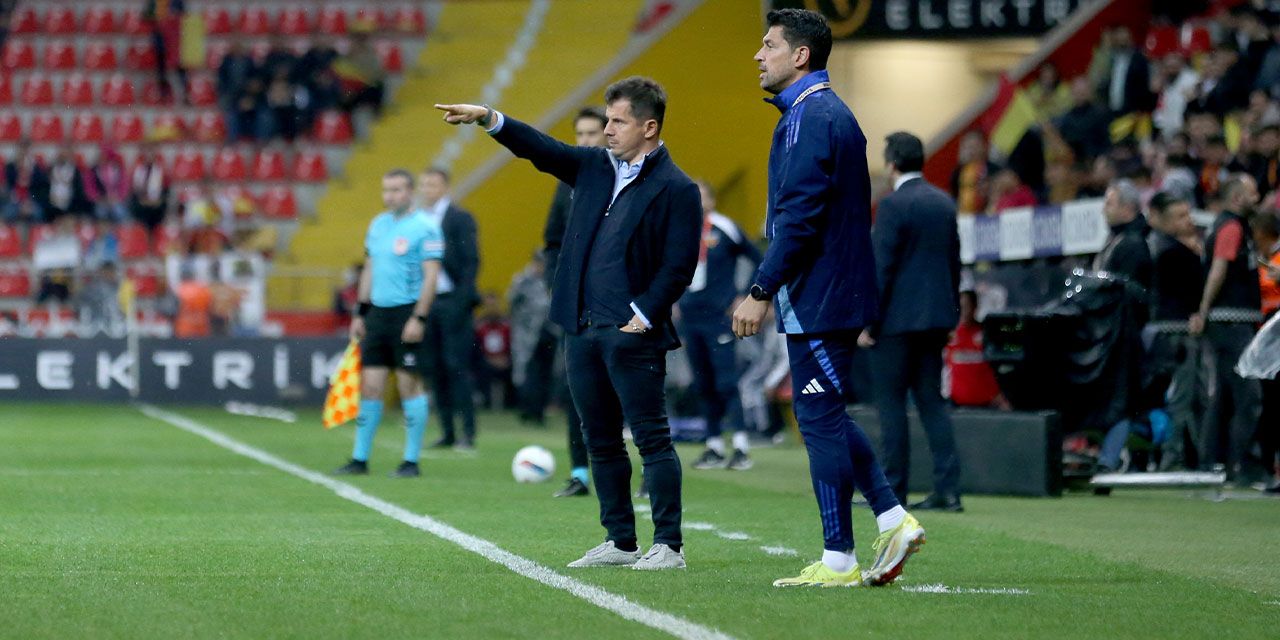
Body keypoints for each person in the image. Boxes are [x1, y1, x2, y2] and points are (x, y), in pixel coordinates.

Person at [436, 75, 702, 571]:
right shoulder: (595, 167)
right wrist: (490, 119)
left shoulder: (677, 188)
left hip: (631, 332)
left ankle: (669, 545)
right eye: (607, 120)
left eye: (618, 121)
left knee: (651, 438)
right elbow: (542, 149)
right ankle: (621, 541)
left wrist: (642, 316)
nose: (608, 129)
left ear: (649, 127)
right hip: (581, 328)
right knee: (598, 437)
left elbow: (679, 265)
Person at [731, 8, 923, 588]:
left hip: (821, 292)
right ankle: (891, 518)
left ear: (801, 55)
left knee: (817, 420)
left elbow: (799, 217)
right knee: (826, 414)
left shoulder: (812, 116)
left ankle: (839, 557)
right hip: (828, 289)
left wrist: (760, 289)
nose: (758, 55)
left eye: (769, 45)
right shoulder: (821, 113)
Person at [860, 131, 962, 512]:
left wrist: (869, 321)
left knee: (891, 406)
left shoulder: (892, 205)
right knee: (932, 404)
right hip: (935, 320)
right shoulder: (943, 202)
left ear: (892, 164)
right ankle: (948, 490)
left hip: (896, 323)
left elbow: (881, 269)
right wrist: (951, 316)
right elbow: (954, 263)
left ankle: (892, 494)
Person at [332, 170, 444, 478]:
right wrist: (360, 312)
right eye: (386, 190)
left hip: (407, 312)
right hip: (377, 314)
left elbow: (431, 276)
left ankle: (411, 461)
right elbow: (369, 269)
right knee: (370, 387)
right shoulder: (378, 225)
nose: (389, 196)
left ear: (410, 192)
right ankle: (360, 458)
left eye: (396, 190)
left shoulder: (425, 227)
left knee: (409, 385)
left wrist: (419, 317)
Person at [543, 106, 607, 498]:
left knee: (630, 390)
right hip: (578, 306)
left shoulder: (625, 178)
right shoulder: (567, 183)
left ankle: (647, 473)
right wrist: (560, 283)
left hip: (618, 304)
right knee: (576, 389)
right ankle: (580, 473)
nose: (584, 141)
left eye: (591, 133)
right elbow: (552, 240)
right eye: (579, 134)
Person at [681, 180, 762, 471]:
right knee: (702, 381)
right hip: (691, 316)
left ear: (713, 201)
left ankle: (740, 446)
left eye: (701, 195)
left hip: (718, 316)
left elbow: (758, 258)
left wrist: (745, 294)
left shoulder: (725, 227)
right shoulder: (680, 229)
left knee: (726, 380)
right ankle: (714, 444)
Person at [1190, 174, 1264, 484]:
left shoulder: (1226, 225)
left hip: (1227, 322)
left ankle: (1210, 463)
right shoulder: (1232, 227)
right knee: (1248, 396)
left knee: (1222, 397)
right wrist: (1203, 310)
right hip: (1232, 322)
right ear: (1236, 198)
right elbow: (1219, 268)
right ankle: (1241, 465)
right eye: (1252, 193)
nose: (1257, 198)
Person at [416, 167, 481, 451]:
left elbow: (471, 262)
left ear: (445, 187)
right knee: (434, 368)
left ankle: (468, 431)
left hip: (452, 300)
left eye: (432, 184)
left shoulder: (460, 218)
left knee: (457, 367)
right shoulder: (418, 220)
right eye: (424, 184)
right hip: (427, 302)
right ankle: (447, 431)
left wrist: (461, 301)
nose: (427, 189)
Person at [1145, 192, 1205, 470]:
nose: (1188, 220)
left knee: (1171, 395)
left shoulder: (1152, 246)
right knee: (1182, 395)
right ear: (1163, 220)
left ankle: (1168, 454)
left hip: (1158, 330)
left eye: (1188, 214)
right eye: (1180, 216)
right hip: (1178, 330)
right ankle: (1173, 456)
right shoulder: (1173, 252)